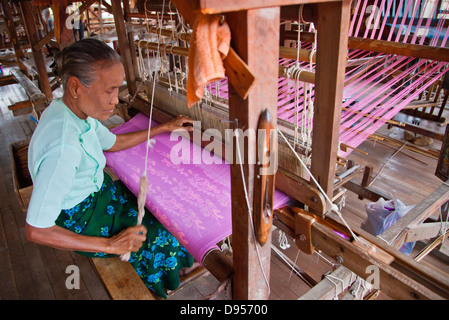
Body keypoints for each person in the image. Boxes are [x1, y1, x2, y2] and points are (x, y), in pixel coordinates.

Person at [25, 38, 195, 298]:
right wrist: (111, 244)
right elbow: (37, 229)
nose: (116, 100)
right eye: (109, 90)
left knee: (159, 205)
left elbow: (113, 142)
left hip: (98, 196)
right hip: (81, 221)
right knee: (161, 231)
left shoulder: (74, 113)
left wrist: (163, 127)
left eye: (118, 89)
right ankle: (158, 282)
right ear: (75, 87)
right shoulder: (63, 148)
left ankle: (170, 266)